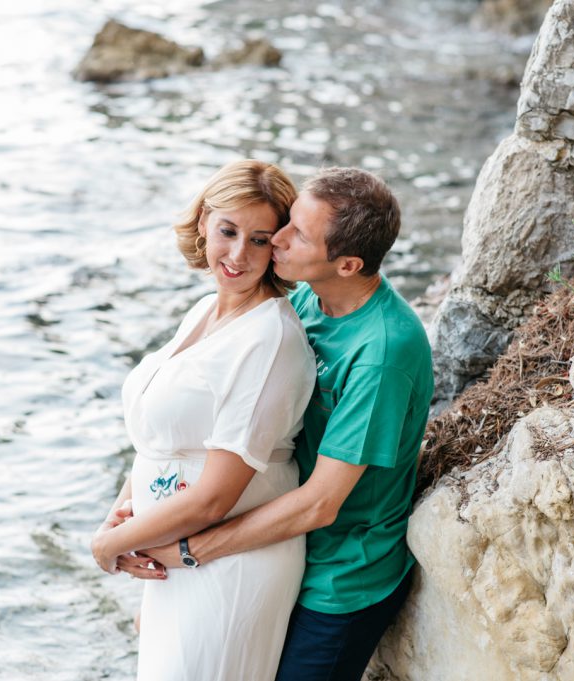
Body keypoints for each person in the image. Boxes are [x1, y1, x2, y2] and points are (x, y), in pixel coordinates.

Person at [127, 167, 434, 681]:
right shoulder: (310, 301)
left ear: (348, 263)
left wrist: (186, 553)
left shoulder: (383, 350)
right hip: (271, 547)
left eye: (295, 235)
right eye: (287, 223)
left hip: (339, 577)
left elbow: (321, 502)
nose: (277, 242)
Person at [90, 159, 316, 681]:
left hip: (227, 567)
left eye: (260, 240)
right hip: (172, 559)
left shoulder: (269, 339)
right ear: (202, 224)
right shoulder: (203, 311)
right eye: (228, 231)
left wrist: (108, 546)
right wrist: (121, 517)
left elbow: (217, 495)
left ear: (279, 246)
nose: (238, 254)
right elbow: (160, 440)